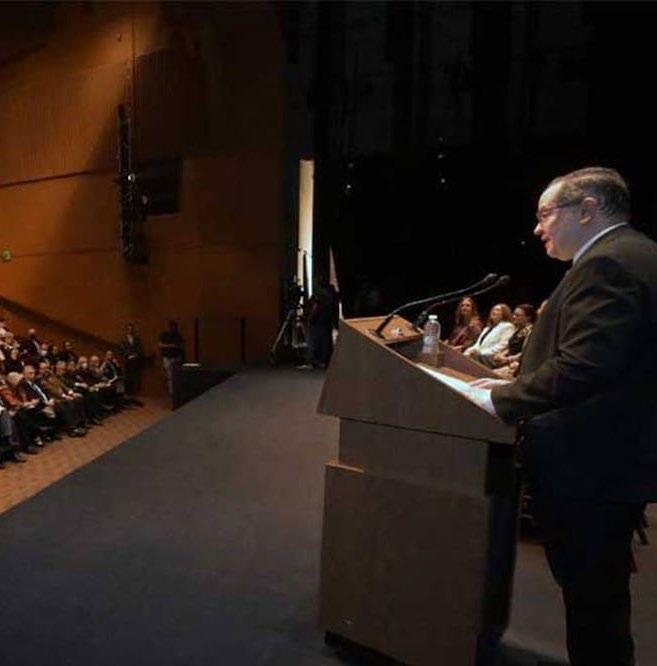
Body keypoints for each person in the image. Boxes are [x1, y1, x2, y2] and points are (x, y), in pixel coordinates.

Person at [473, 167, 657, 666]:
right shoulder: (633, 253)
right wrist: (513, 383)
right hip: (610, 464)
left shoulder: (610, 264)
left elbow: (586, 366)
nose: (537, 229)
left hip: (589, 469)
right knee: (598, 602)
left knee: (594, 608)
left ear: (587, 210)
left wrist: (503, 401)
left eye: (545, 214)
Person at [118, 323, 144, 400]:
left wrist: (135, 355)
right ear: (126, 330)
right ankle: (128, 393)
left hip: (135, 360)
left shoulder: (137, 339)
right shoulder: (123, 339)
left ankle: (135, 393)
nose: (130, 330)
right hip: (127, 360)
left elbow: (140, 348)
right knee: (127, 376)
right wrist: (128, 355)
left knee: (135, 377)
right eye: (129, 329)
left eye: (131, 329)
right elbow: (122, 349)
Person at [158, 320, 184, 394]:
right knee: (169, 375)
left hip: (176, 357)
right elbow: (160, 345)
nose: (172, 328)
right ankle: (172, 392)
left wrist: (167, 346)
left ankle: (175, 391)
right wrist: (172, 345)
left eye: (173, 327)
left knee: (176, 375)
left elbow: (180, 346)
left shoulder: (178, 335)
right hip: (167, 357)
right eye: (171, 327)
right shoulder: (164, 335)